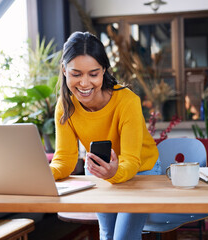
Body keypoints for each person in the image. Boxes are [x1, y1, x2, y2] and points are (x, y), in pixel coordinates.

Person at [49, 31, 161, 240]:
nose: (84, 83)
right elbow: (64, 160)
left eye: (93, 74)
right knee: (107, 234)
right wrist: (44, 175)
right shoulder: (65, 107)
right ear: (64, 70)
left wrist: (114, 172)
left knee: (122, 238)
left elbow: (131, 160)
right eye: (76, 74)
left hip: (141, 171)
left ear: (104, 71)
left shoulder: (127, 101)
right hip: (101, 170)